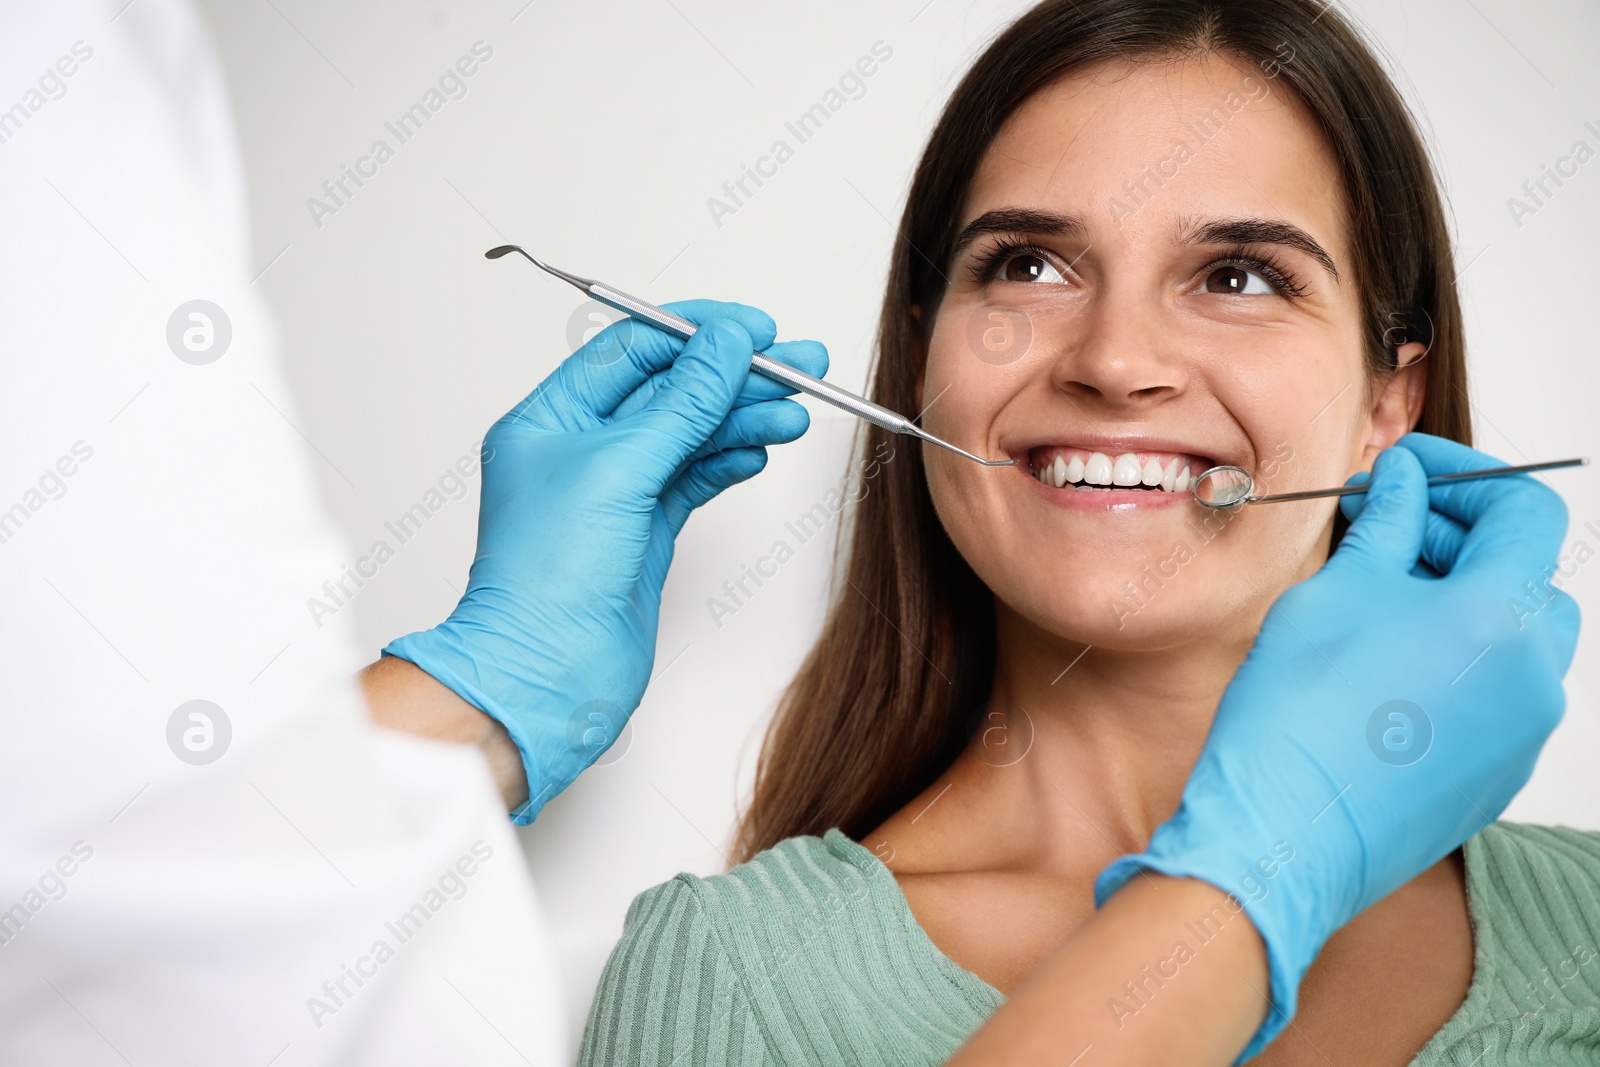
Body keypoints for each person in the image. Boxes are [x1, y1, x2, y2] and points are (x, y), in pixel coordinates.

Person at [575, 2, 1597, 1065]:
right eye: (1027, 265)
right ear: (925, 367)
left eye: (1237, 275)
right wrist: (1257, 875)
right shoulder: (742, 974)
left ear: (1392, 401)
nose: (1113, 361)